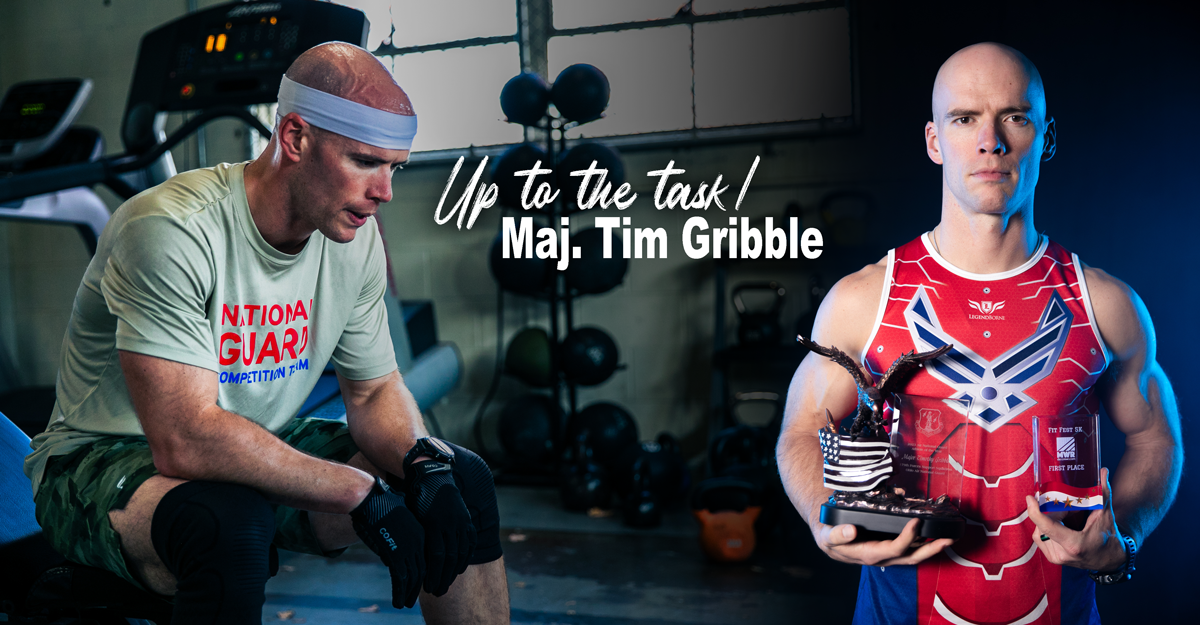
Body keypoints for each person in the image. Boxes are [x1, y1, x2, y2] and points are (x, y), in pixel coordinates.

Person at [23, 42, 509, 624]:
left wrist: (422, 464)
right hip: (103, 459)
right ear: (295, 139)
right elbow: (185, 441)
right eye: (364, 161)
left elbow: (374, 392)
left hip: (252, 435)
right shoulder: (171, 228)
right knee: (224, 524)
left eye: (393, 167)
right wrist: (359, 492)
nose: (385, 191)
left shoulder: (352, 243)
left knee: (458, 479)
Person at [777, 42, 1182, 624]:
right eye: (964, 119)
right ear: (934, 141)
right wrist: (824, 517)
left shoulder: (1105, 304)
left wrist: (1126, 539)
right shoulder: (863, 300)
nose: (990, 140)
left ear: (1045, 137)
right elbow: (802, 427)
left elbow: (1154, 437)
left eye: (1014, 117)